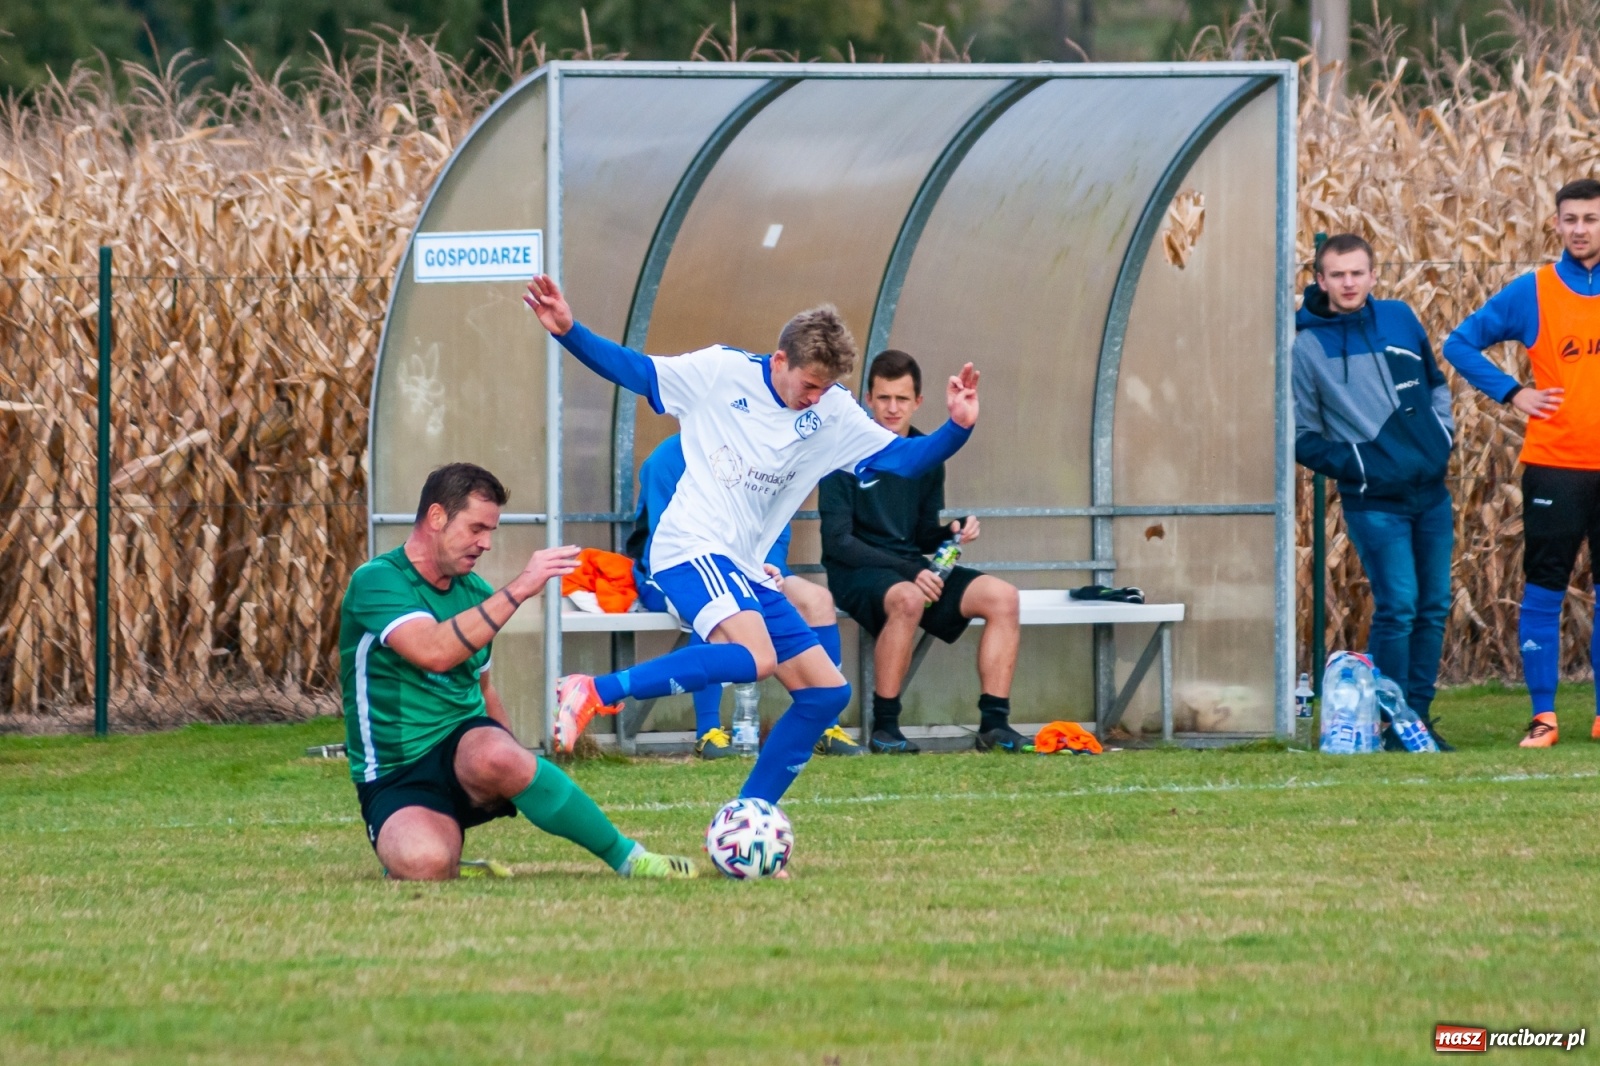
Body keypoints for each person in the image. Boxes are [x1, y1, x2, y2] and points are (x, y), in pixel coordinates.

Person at [525, 274, 978, 806]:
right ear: (780, 360)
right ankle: (594, 689)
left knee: (826, 693)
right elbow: (637, 369)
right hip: (690, 546)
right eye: (809, 384)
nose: (815, 398)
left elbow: (904, 459)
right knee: (755, 656)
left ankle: (749, 814)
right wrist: (569, 331)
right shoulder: (721, 372)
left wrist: (957, 428)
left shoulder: (832, 411)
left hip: (742, 564)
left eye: (826, 387)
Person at [339, 462, 697, 880]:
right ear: (436, 517)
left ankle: (631, 858)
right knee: (426, 864)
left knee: (497, 753)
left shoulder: (476, 592)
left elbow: (483, 687)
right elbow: (433, 651)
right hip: (394, 773)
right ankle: (437, 853)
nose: (486, 543)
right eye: (476, 528)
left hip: (463, 749)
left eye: (491, 531)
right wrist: (523, 586)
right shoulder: (378, 580)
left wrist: (511, 757)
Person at [1442, 177, 1600, 748]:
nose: (1580, 229)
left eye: (1591, 218)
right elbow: (1458, 343)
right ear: (1555, 224)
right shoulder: (1534, 291)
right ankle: (1544, 717)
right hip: (1555, 465)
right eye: (1570, 219)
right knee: (1544, 589)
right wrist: (1514, 393)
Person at [818, 350, 1028, 754]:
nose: (892, 408)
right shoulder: (843, 453)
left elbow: (920, 535)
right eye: (883, 398)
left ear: (918, 402)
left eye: (902, 399)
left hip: (911, 569)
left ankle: (994, 725)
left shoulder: (927, 454)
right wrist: (910, 570)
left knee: (1004, 597)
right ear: (868, 399)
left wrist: (952, 532)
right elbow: (839, 542)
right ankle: (885, 729)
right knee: (910, 598)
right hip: (857, 573)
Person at [1292, 233, 1455, 751]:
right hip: (1375, 501)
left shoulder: (1400, 318)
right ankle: (1390, 722)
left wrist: (1442, 437)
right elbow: (1302, 436)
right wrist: (1363, 466)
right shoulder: (1306, 345)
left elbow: (1436, 384)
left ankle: (1418, 723)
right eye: (1337, 274)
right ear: (1320, 280)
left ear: (1373, 275)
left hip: (1431, 493)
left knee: (1434, 605)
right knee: (1399, 606)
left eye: (1357, 273)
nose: (1348, 283)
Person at [626, 433, 863, 759]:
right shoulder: (666, 459)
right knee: (719, 605)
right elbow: (668, 538)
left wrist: (767, 569)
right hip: (675, 569)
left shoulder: (757, 450)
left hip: (756, 566)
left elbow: (774, 527)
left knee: (817, 600)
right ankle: (708, 731)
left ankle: (825, 726)